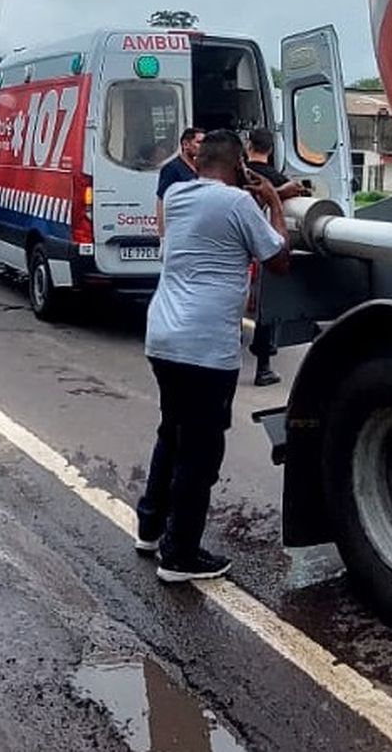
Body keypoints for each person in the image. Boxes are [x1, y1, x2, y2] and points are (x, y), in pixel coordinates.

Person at [137, 130, 289, 582]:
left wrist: (260, 192)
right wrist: (276, 205)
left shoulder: (181, 193)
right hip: (206, 348)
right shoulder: (240, 205)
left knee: (172, 433)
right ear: (242, 165)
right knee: (200, 453)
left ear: (198, 162)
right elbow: (278, 259)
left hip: (163, 337)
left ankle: (150, 528)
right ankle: (179, 556)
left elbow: (220, 206)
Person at [244, 129, 301, 387]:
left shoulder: (241, 173)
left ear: (248, 145)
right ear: (271, 149)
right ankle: (263, 367)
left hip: (238, 248)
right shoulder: (277, 180)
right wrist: (284, 191)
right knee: (266, 306)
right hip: (264, 248)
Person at [155, 127, 203, 236]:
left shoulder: (202, 167)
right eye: (199, 142)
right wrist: (162, 234)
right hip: (179, 225)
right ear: (186, 144)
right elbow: (161, 200)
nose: (203, 147)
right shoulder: (172, 168)